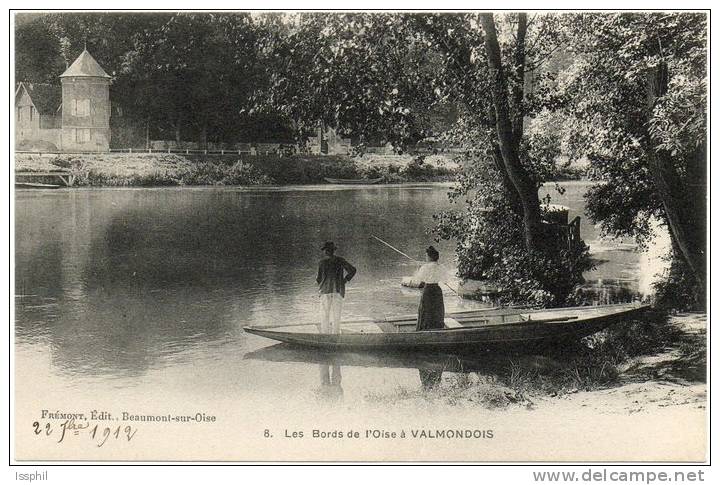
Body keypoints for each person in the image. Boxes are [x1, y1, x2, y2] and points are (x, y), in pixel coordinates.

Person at [316, 241, 357, 334]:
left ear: (326, 251)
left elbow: (318, 279)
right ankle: (336, 335)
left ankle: (325, 335)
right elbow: (353, 270)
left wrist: (320, 285)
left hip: (324, 291)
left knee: (325, 315)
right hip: (338, 291)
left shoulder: (321, 263)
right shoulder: (340, 260)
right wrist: (345, 280)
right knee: (337, 316)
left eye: (325, 250)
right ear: (333, 251)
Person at [414, 246, 445, 331]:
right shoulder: (441, 267)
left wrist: (418, 269)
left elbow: (418, 280)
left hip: (428, 290)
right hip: (437, 290)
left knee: (426, 310)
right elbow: (446, 279)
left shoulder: (425, 267)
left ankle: (424, 329)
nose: (426, 257)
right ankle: (437, 329)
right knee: (437, 310)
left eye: (426, 256)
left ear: (429, 257)